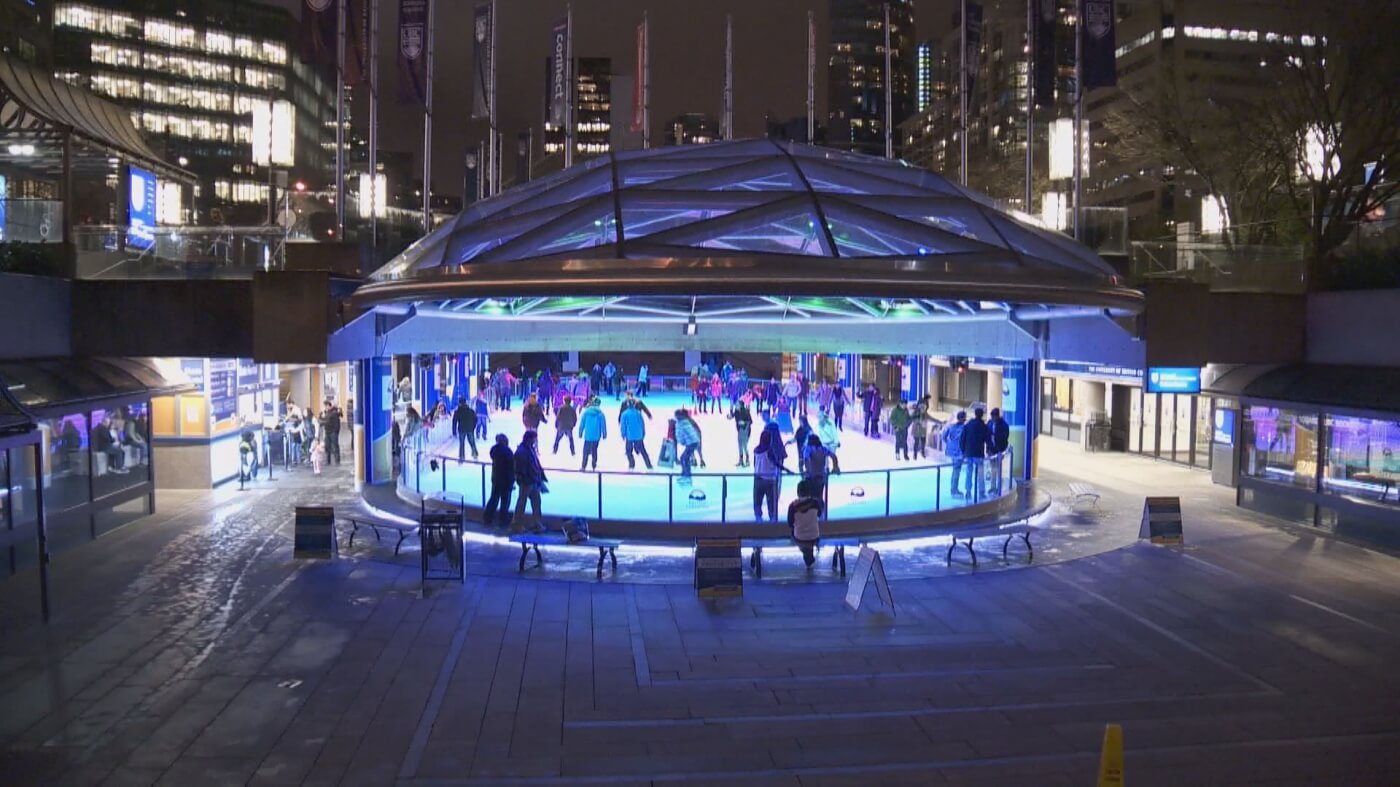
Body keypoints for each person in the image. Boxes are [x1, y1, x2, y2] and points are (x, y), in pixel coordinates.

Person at [751, 422, 789, 522]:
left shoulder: (756, 450)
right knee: (771, 500)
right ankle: (772, 519)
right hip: (770, 479)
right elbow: (776, 463)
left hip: (758, 478)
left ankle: (758, 518)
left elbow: (755, 464)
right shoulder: (770, 450)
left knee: (757, 500)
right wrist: (786, 470)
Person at [512, 430, 547, 534]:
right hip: (527, 482)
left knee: (536, 502)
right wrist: (523, 479)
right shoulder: (522, 451)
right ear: (530, 439)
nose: (536, 440)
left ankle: (536, 523)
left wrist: (540, 477)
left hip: (533, 480)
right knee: (522, 503)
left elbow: (536, 464)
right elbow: (520, 467)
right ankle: (517, 524)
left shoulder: (529, 449)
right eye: (534, 438)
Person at [787, 479, 824, 568]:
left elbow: (790, 523)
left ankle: (807, 554)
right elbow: (819, 514)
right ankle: (808, 555)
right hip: (814, 538)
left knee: (797, 533)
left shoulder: (793, 506)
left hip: (799, 538)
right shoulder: (815, 503)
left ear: (798, 492)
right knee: (809, 533)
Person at [960, 407, 994, 500]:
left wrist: (963, 451)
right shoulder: (983, 427)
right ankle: (981, 492)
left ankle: (968, 491)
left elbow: (962, 439)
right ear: (982, 415)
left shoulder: (968, 425)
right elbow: (988, 440)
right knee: (980, 473)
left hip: (969, 453)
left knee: (969, 472)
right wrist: (991, 449)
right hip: (979, 453)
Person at [483, 434, 514, 528]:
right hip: (505, 479)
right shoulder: (507, 452)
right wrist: (512, 479)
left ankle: (488, 517)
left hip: (496, 478)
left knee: (494, 498)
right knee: (505, 500)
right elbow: (511, 466)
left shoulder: (494, 450)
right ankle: (503, 519)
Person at [801, 433, 840, 500]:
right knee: (819, 497)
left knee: (810, 498)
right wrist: (835, 467)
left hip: (811, 477)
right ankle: (821, 509)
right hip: (821, 476)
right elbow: (833, 456)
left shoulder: (808, 449)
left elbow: (806, 460)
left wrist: (808, 471)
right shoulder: (823, 449)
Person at [620, 398, 653, 470]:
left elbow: (623, 426)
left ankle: (631, 464)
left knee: (629, 451)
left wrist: (623, 434)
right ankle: (649, 465)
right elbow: (642, 424)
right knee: (643, 450)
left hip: (630, 436)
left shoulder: (624, 414)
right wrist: (643, 433)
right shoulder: (638, 413)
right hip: (638, 435)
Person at [577, 397, 607, 471]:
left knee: (585, 451)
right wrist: (604, 434)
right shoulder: (600, 414)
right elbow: (603, 425)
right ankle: (594, 465)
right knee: (594, 450)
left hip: (588, 435)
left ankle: (583, 466)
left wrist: (580, 432)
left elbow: (582, 424)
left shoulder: (586, 412)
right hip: (596, 436)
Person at [675, 409, 702, 482]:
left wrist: (682, 441)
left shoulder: (681, 424)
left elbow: (680, 435)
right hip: (692, 442)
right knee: (683, 458)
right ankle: (685, 473)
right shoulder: (685, 421)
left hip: (691, 443)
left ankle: (687, 475)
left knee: (685, 458)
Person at [988, 407, 1011, 494]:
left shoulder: (1004, 425)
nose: (993, 419)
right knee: (993, 469)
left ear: (997, 416)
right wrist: (989, 448)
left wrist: (1000, 449)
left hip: (999, 450)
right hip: (991, 450)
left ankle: (998, 486)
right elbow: (987, 436)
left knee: (998, 469)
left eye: (994, 417)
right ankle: (992, 487)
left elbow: (1005, 437)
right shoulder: (990, 423)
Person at [944, 410, 968, 497]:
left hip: (952, 451)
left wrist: (949, 444)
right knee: (956, 470)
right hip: (959, 452)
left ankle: (953, 488)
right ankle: (954, 489)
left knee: (955, 470)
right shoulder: (964, 428)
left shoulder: (951, 426)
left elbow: (944, 436)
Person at [452, 396, 478, 461]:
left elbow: (454, 422)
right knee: (472, 442)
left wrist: (454, 432)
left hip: (462, 429)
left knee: (461, 443)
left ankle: (462, 456)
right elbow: (475, 419)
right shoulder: (470, 410)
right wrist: (473, 427)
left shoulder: (458, 412)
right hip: (470, 429)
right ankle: (475, 454)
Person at [729, 400, 753, 467]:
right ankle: (741, 460)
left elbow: (750, 422)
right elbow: (730, 417)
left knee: (744, 446)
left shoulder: (746, 411)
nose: (736, 405)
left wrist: (744, 422)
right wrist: (729, 414)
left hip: (746, 430)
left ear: (740, 405)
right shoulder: (736, 411)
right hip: (739, 430)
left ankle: (747, 460)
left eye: (737, 404)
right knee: (740, 446)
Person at [320, 400, 342, 466]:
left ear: (329, 406)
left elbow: (336, 423)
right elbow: (322, 420)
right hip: (327, 431)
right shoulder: (325, 413)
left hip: (333, 432)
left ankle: (337, 461)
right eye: (324, 406)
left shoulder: (334, 413)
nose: (325, 407)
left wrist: (336, 431)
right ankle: (328, 461)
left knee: (335, 446)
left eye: (326, 406)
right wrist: (321, 414)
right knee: (327, 446)